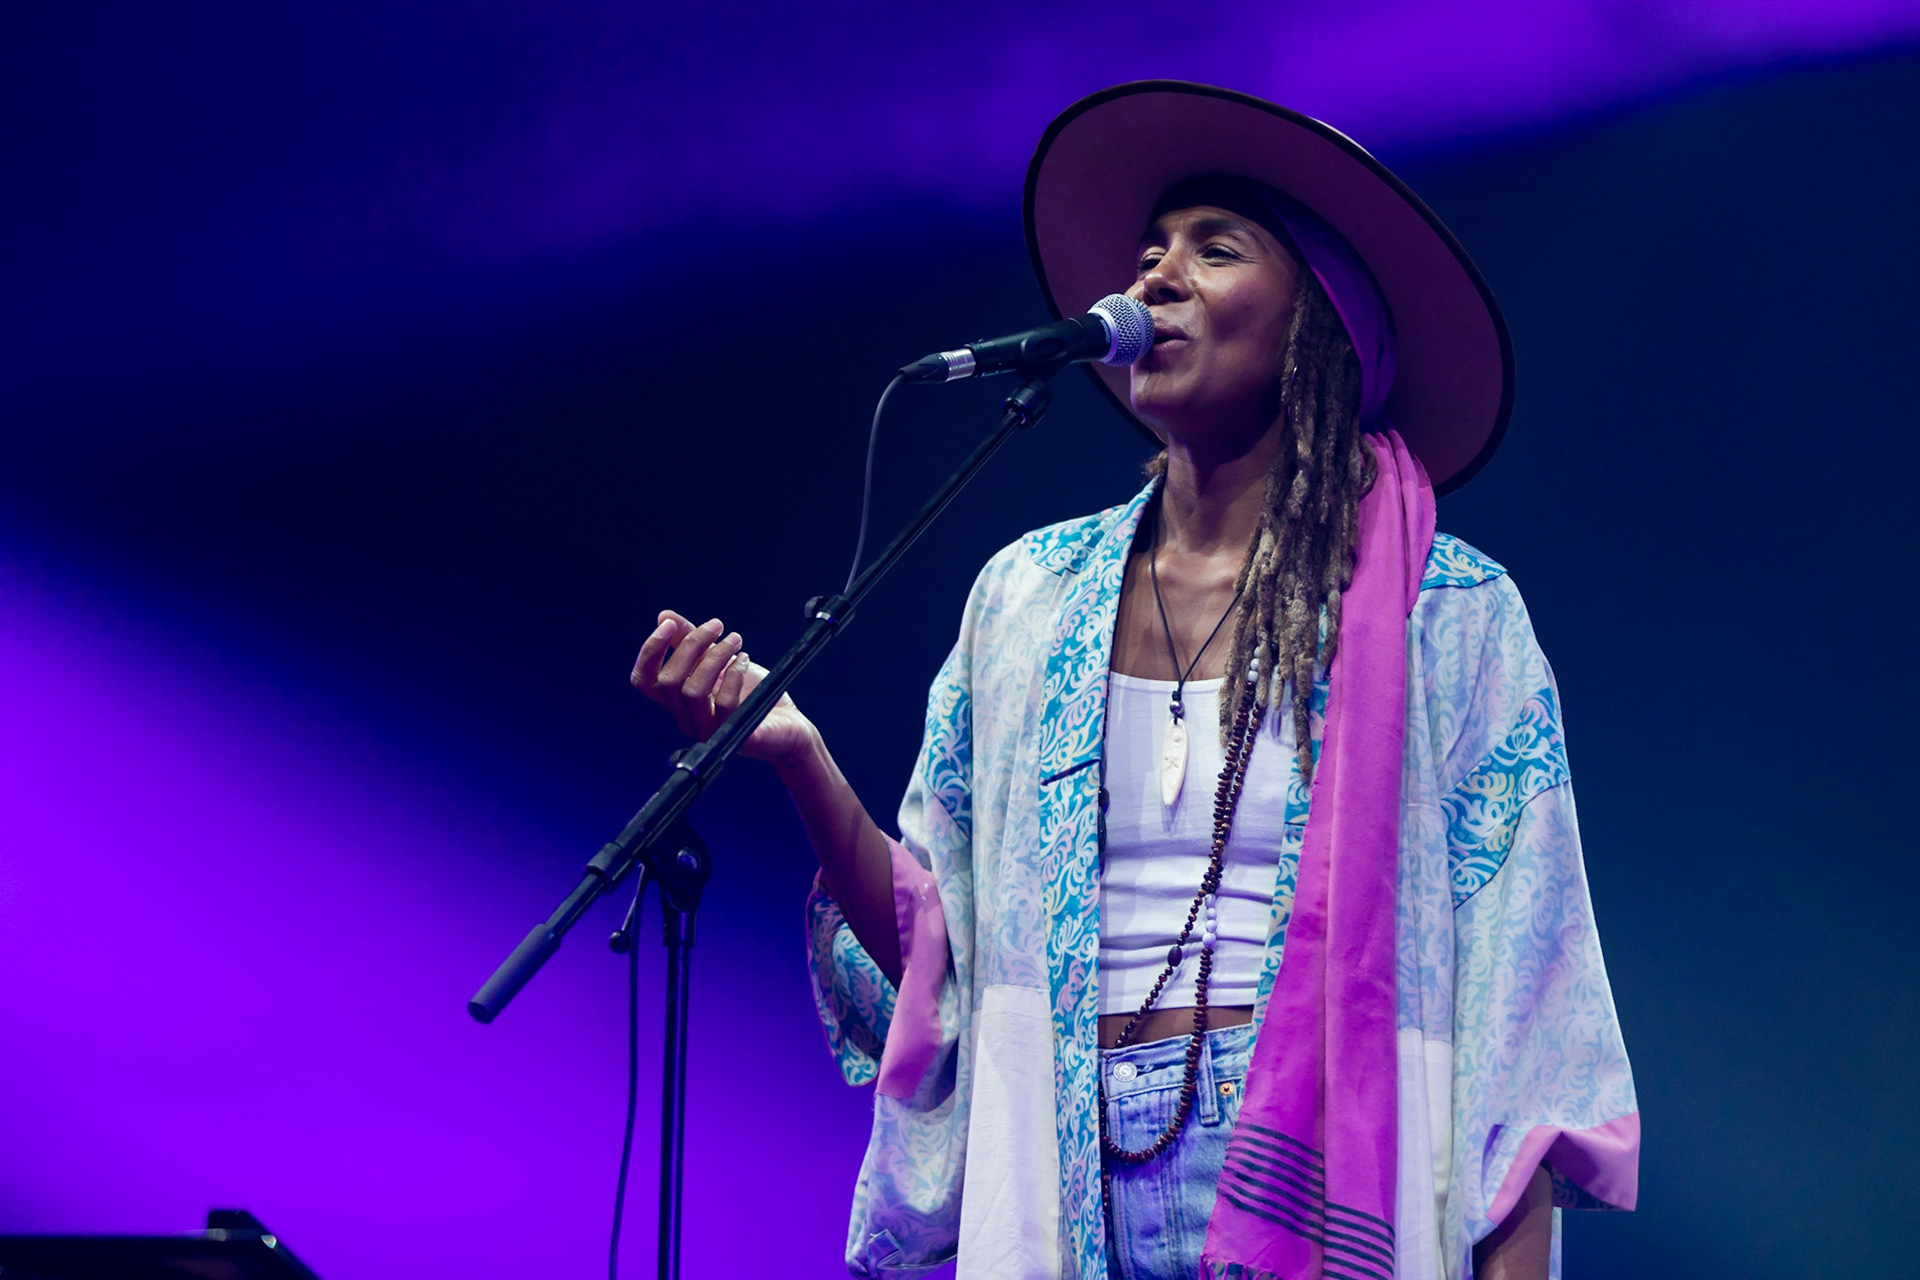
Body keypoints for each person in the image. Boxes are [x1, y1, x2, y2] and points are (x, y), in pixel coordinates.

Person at [631, 82, 1637, 1280]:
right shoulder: (1029, 600)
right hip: (1069, 1169)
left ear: (1323, 323)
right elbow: (934, 956)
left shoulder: (1446, 610)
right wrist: (797, 757)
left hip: (1319, 1177)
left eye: (1215, 250)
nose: (1153, 278)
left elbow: (1524, 998)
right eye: (1149, 250)